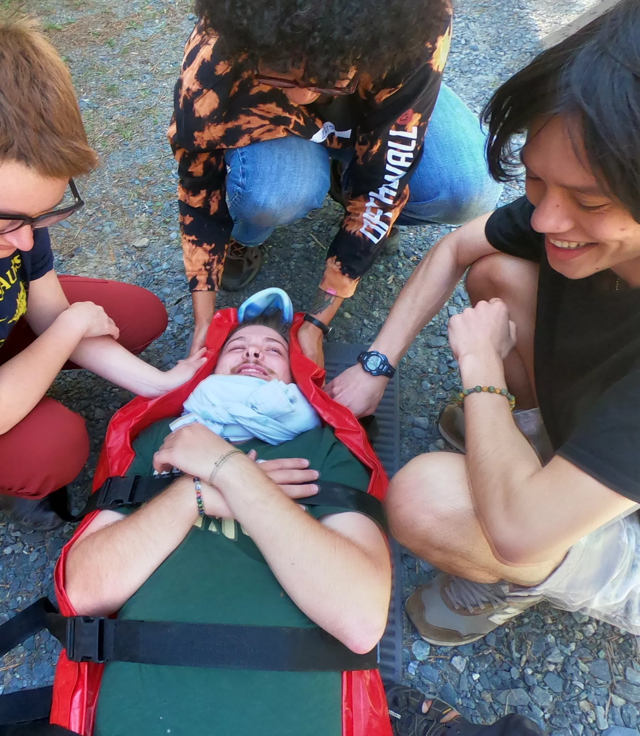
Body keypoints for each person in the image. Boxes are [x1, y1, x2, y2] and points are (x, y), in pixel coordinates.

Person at [329, 0, 640, 643]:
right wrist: (379, 363)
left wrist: (483, 371)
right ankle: (531, 451)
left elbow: (518, 532)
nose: (547, 216)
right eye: (535, 179)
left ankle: (517, 575)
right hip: (614, 423)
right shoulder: (593, 190)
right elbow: (459, 247)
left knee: (426, 500)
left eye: (589, 202)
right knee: (498, 269)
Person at [0, 12, 205, 530]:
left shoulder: (8, 200)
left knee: (138, 315)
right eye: (1, 221)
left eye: (43, 213)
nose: (24, 240)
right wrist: (71, 328)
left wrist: (159, 384)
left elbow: (48, 306)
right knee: (54, 446)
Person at [169, 0, 503, 367]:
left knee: (468, 188)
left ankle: (349, 202)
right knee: (270, 194)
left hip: (382, 101)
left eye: (325, 83)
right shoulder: (220, 55)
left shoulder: (413, 29)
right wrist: (203, 321)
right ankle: (248, 236)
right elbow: (199, 180)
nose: (305, 94)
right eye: (282, 77)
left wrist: (319, 320)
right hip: (278, 121)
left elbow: (386, 181)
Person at [63, 311, 393, 736]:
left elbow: (360, 619)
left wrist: (230, 472)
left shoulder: (326, 444)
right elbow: (85, 591)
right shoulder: (162, 438)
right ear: (210, 367)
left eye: (275, 350)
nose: (254, 350)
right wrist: (196, 495)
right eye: (236, 347)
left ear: (296, 377)